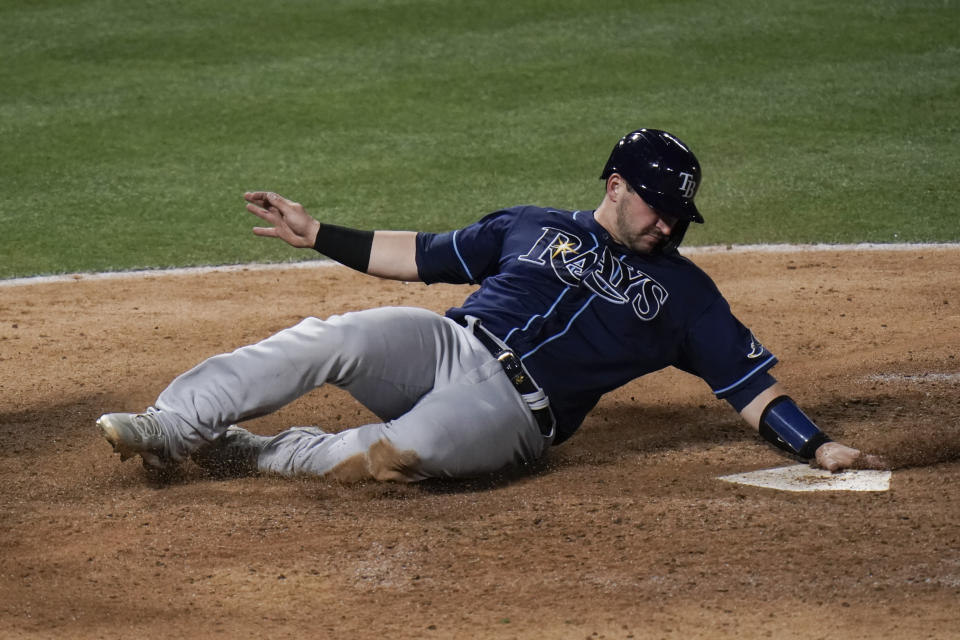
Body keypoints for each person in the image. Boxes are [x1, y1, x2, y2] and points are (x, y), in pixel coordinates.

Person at [96, 128, 884, 481]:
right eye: (656, 206)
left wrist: (817, 447)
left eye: (679, 214)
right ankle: (174, 422)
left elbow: (748, 386)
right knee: (329, 336)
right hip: (448, 345)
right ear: (615, 186)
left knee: (402, 453)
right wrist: (318, 233)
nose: (668, 222)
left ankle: (257, 453)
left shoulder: (686, 295)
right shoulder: (533, 225)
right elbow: (425, 257)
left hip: (515, 415)